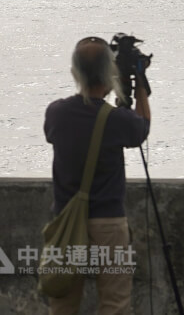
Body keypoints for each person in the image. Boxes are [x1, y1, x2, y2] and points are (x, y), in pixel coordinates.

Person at [44, 36, 151, 314]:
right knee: (115, 304)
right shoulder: (118, 119)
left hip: (66, 222)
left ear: (75, 72)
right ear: (109, 72)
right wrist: (139, 84)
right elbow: (142, 129)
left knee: (62, 302)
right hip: (108, 224)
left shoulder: (56, 113)